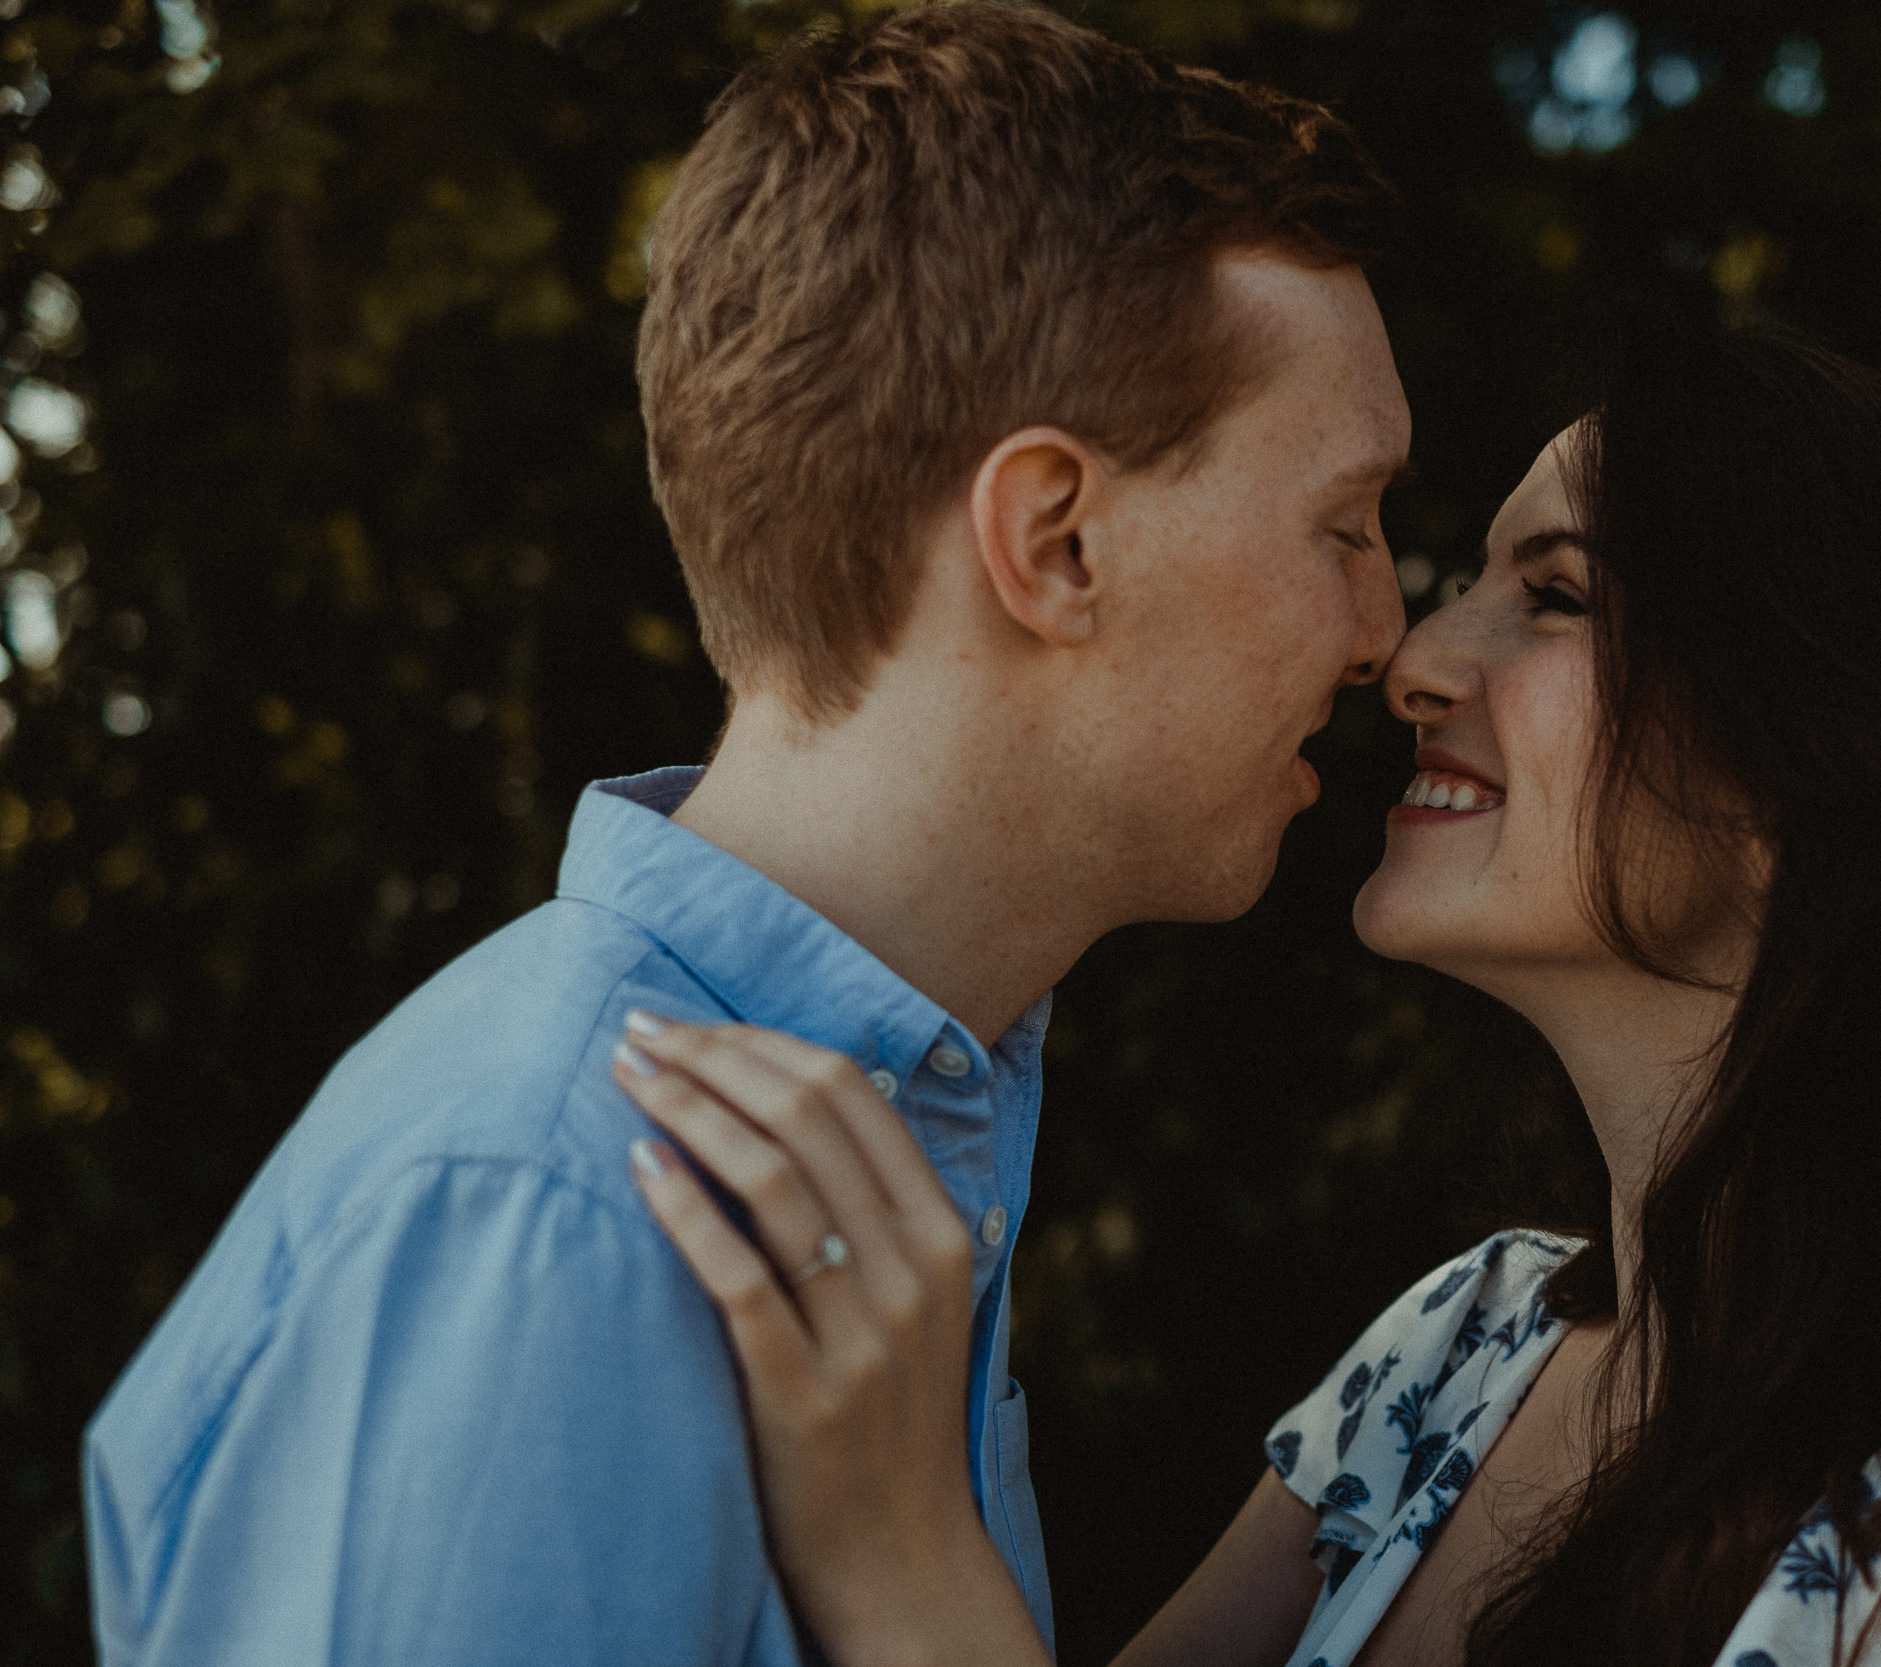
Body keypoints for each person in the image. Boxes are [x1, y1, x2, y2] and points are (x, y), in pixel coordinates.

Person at [612, 318, 1881, 1667]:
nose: (1416, 658)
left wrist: (910, 1556)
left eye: (1554, 598)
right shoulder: (1461, 1353)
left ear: (1813, 773)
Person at [80, 7, 1409, 1663]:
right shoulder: (548, 1215)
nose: (1387, 634)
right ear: (1056, 541)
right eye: (1345, 525)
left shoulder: (881, 1138)